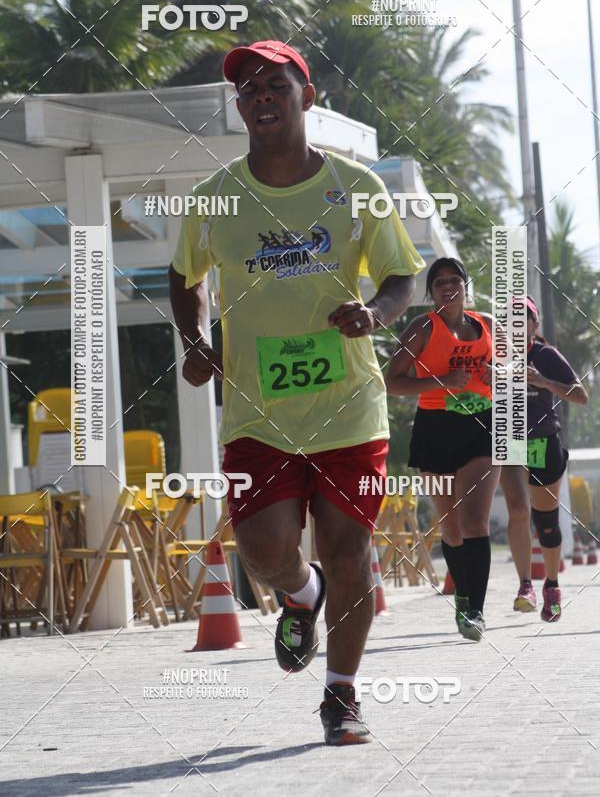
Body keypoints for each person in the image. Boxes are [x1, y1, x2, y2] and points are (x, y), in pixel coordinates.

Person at [168, 40, 425, 745]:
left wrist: (375, 312)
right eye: (247, 88)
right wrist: (195, 344)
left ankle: (341, 696)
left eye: (274, 84)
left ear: (305, 96)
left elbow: (404, 275)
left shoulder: (358, 186)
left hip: (349, 406)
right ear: (240, 107)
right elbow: (183, 276)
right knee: (262, 552)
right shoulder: (214, 198)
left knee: (352, 556)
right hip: (256, 412)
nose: (260, 96)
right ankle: (300, 593)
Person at [386, 257, 501, 642]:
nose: (448, 287)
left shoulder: (487, 325)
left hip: (481, 426)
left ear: (466, 286)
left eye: (454, 280)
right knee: (450, 529)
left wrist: (497, 374)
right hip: (435, 428)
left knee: (474, 523)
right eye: (439, 283)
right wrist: (441, 381)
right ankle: (462, 597)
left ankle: (476, 611)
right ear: (431, 291)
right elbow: (391, 382)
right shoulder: (422, 327)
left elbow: (514, 372)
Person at [500, 296, 588, 621]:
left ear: (534, 325)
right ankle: (525, 585)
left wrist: (541, 381)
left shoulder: (545, 355)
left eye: (523, 320)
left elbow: (581, 395)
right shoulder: (496, 357)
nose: (516, 326)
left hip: (542, 441)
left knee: (546, 523)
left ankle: (551, 585)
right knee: (519, 512)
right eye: (509, 321)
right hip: (510, 442)